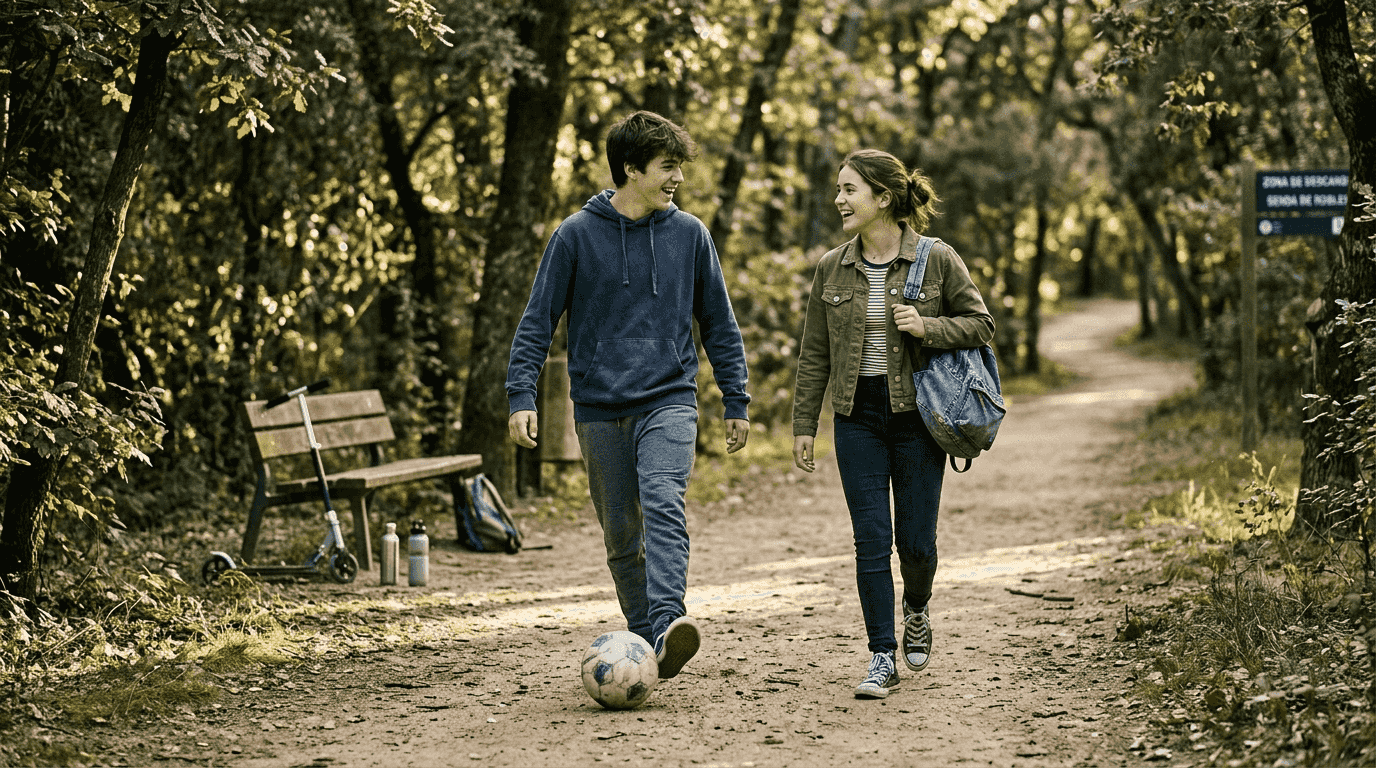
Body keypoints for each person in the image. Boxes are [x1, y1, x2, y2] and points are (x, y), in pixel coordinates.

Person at [507, 110, 751, 680]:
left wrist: (735, 397)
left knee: (663, 502)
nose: (678, 179)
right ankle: (647, 641)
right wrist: (522, 395)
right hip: (599, 406)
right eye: (668, 167)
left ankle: (667, 623)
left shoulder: (690, 235)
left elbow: (719, 322)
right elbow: (538, 320)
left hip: (669, 397)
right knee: (620, 533)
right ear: (632, 169)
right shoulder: (575, 234)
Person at [792, 149, 994, 699]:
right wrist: (804, 424)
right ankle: (882, 655)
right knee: (871, 541)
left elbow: (981, 324)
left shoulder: (937, 259)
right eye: (838, 189)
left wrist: (928, 327)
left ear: (883, 198)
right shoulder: (832, 267)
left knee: (917, 543)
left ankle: (918, 607)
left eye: (849, 189)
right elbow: (815, 354)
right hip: (856, 417)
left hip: (918, 418)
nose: (839, 199)